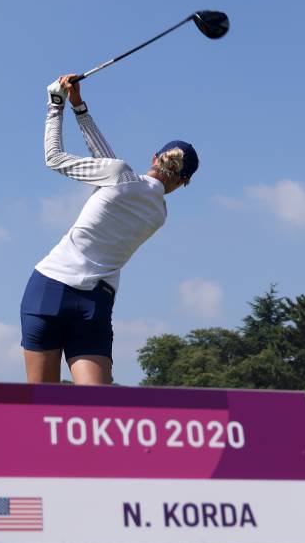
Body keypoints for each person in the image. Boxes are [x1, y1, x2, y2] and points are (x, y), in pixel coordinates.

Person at [21, 74, 199, 385]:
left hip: (48, 288)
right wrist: (79, 108)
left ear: (155, 158)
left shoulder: (119, 175)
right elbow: (108, 162)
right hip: (94, 304)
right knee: (97, 406)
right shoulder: (159, 214)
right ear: (183, 181)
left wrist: (56, 104)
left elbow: (56, 159)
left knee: (41, 405)